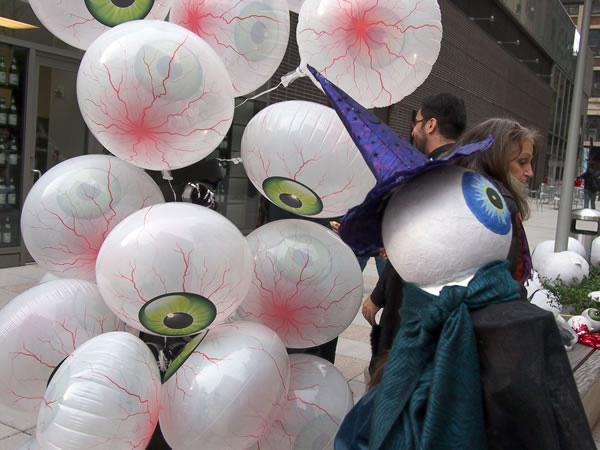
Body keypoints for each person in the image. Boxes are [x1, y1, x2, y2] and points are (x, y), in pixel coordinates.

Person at [362, 93, 468, 376]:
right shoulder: (469, 171)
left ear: (431, 125)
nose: (412, 129)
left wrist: (378, 295)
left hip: (413, 302)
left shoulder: (428, 174)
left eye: (416, 121)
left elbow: (409, 247)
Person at [451, 118, 539, 284]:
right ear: (496, 159)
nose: (530, 172)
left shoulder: (452, 189)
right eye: (522, 162)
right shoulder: (500, 205)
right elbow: (505, 283)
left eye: (530, 162)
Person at [411, 93, 467, 160]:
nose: (412, 132)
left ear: (431, 125)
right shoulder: (470, 162)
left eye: (416, 122)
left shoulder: (432, 167)